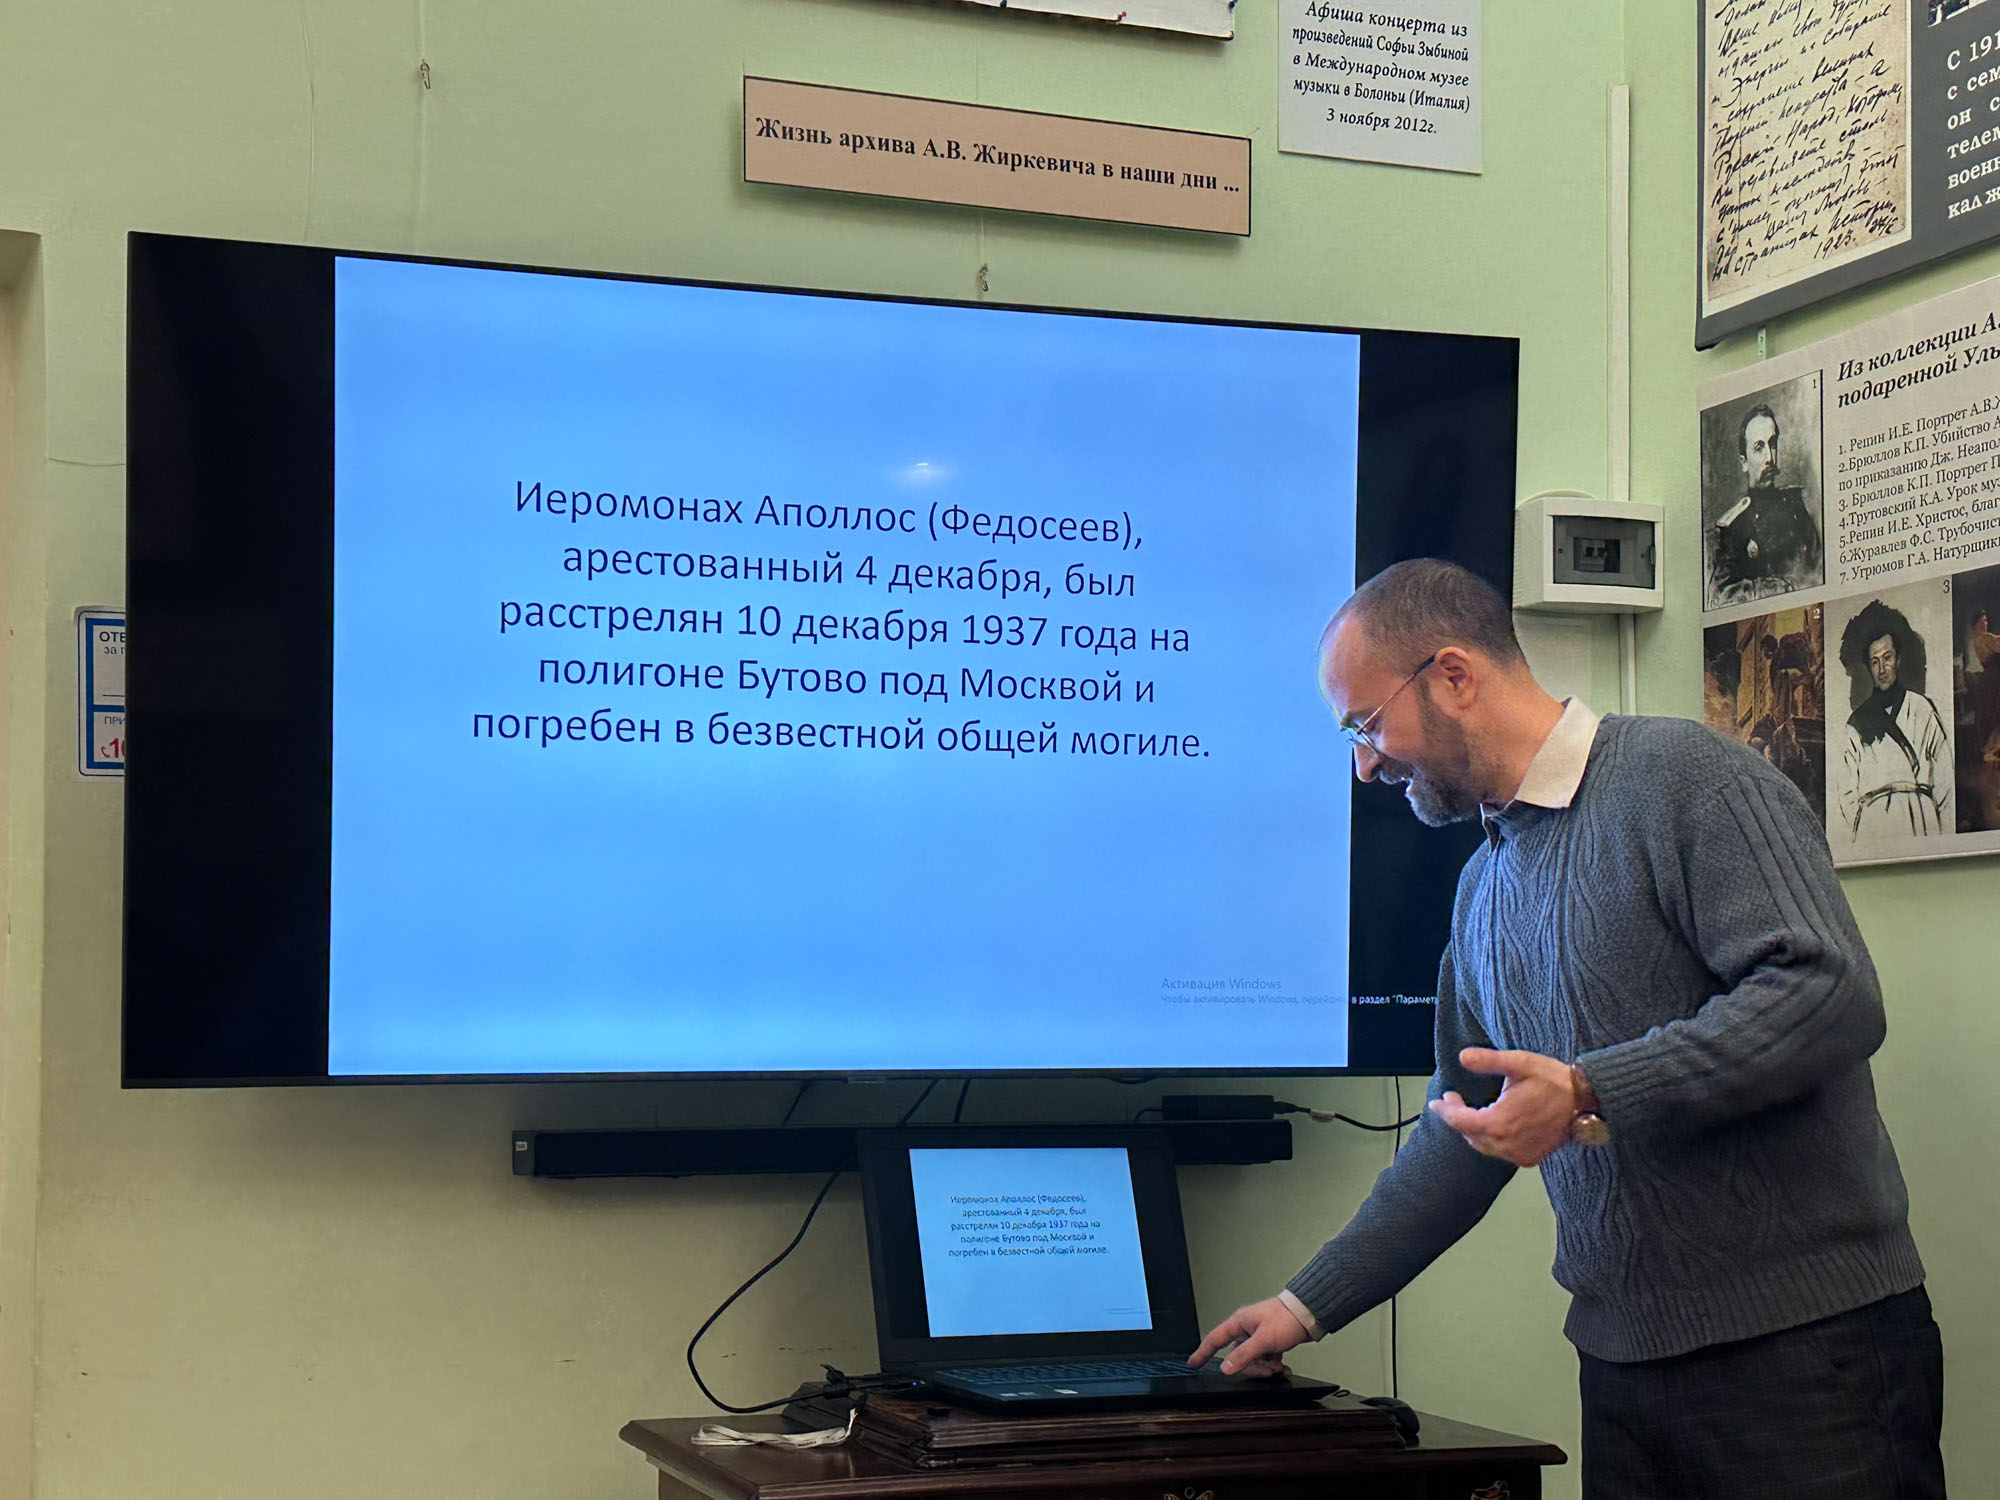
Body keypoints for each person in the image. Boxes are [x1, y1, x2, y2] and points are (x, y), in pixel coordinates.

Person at [1189, 560, 1943, 1499]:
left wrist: (1591, 1090)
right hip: (1621, 1370)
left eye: (1366, 724)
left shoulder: (1687, 778)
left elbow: (1829, 993)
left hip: (1809, 1355)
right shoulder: (1481, 889)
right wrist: (1306, 1305)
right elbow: (1462, 1133)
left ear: (1453, 675)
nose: (1365, 765)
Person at [1837, 600, 1951, 841]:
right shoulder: (1857, 723)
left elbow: (1944, 776)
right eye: (1875, 662)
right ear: (1869, 668)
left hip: (1921, 819)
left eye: (1887, 658)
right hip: (1875, 824)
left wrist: (1931, 817)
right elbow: (1846, 794)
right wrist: (1868, 818)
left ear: (1898, 659)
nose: (1882, 669)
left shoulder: (1921, 709)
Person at [1706, 403, 1821, 606]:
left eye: (1772, 444)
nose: (1769, 458)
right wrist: (1778, 588)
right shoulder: (1734, 526)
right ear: (1744, 462)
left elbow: (1817, 567)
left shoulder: (1796, 506)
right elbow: (1721, 596)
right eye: (1759, 448)